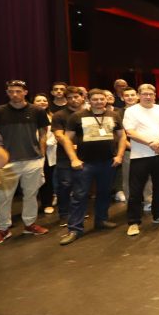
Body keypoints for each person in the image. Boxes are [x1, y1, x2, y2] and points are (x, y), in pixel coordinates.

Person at [58, 89, 127, 245]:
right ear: (88, 100)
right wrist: (73, 159)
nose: (99, 102)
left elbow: (122, 136)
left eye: (101, 99)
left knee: (104, 193)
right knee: (79, 196)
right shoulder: (77, 116)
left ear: (106, 100)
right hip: (85, 163)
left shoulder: (114, 115)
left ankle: (101, 221)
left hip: (108, 162)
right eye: (95, 99)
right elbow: (66, 140)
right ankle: (75, 229)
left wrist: (119, 156)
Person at [0, 80, 50, 246]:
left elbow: (43, 133)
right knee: (3, 197)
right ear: (7, 93)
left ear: (25, 92)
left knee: (31, 195)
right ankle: (3, 229)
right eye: (11, 91)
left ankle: (29, 225)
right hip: (7, 163)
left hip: (33, 160)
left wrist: (42, 154)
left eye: (18, 91)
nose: (14, 94)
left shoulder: (37, 111)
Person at [122, 84, 159, 236]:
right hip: (140, 156)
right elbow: (130, 132)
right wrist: (151, 143)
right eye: (144, 94)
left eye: (151, 94)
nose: (148, 96)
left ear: (155, 94)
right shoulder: (131, 111)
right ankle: (133, 222)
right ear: (139, 95)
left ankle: (158, 215)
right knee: (136, 190)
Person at [50, 86, 86, 225]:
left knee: (81, 185)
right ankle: (64, 213)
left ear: (82, 97)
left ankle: (78, 211)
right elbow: (59, 135)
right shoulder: (59, 115)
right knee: (65, 184)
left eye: (76, 97)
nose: (73, 100)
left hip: (85, 155)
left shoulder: (88, 114)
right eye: (69, 98)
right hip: (65, 155)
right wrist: (70, 145)